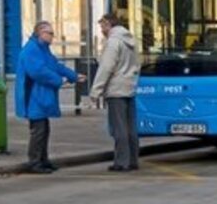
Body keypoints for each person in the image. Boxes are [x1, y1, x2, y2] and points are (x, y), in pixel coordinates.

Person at [15, 21, 83, 174]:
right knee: (38, 131)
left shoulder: (42, 49)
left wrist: (73, 76)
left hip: (40, 96)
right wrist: (60, 80)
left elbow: (55, 65)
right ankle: (35, 162)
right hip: (34, 96)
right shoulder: (32, 50)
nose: (53, 36)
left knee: (43, 130)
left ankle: (43, 160)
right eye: (50, 33)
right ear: (40, 33)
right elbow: (38, 72)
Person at [89, 14, 141, 172]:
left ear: (108, 24)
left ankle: (121, 162)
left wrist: (95, 91)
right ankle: (133, 160)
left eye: (102, 27)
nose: (102, 31)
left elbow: (106, 67)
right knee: (131, 127)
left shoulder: (113, 42)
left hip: (116, 89)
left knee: (119, 128)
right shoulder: (131, 40)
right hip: (129, 87)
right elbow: (137, 64)